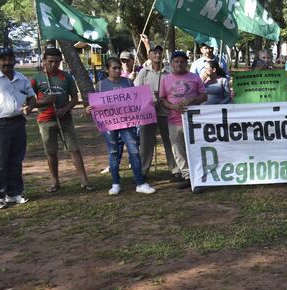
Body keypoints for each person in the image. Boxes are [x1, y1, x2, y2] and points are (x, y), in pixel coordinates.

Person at [86, 57, 156, 196]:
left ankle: (140, 183)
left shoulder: (128, 82)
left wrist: (148, 104)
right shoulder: (100, 85)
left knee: (134, 151)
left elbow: (136, 100)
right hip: (109, 124)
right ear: (107, 70)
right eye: (114, 68)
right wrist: (89, 109)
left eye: (119, 67)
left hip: (127, 122)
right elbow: (97, 105)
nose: (118, 70)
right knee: (113, 153)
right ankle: (116, 183)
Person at [31, 47, 92, 192]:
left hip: (65, 119)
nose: (53, 65)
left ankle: (84, 180)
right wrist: (45, 101)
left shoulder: (66, 77)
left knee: (74, 149)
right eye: (50, 61)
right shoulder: (37, 78)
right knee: (51, 152)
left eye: (57, 62)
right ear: (44, 60)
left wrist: (65, 109)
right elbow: (30, 101)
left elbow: (75, 97)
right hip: (45, 120)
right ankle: (55, 181)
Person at [0, 48, 36, 209]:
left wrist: (30, 107)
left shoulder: (21, 78)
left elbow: (32, 97)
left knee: (16, 159)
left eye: (10, 59)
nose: (7, 62)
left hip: (18, 122)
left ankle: (14, 193)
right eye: (3, 59)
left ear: (14, 60)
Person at [160, 50, 207, 191]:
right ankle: (187, 176)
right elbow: (162, 99)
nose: (179, 63)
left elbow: (204, 96)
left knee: (194, 148)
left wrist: (192, 99)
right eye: (176, 61)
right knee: (178, 149)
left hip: (193, 120)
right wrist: (172, 106)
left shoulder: (194, 77)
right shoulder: (165, 79)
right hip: (174, 120)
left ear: (187, 63)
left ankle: (199, 176)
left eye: (182, 61)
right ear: (171, 63)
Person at [135, 42, 179, 181]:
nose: (157, 55)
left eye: (159, 52)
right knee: (146, 142)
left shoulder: (169, 72)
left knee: (170, 141)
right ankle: (143, 171)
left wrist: (163, 98)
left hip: (165, 111)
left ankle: (176, 169)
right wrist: (148, 100)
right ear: (149, 55)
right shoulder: (144, 72)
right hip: (147, 112)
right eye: (154, 52)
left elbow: (173, 90)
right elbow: (136, 91)